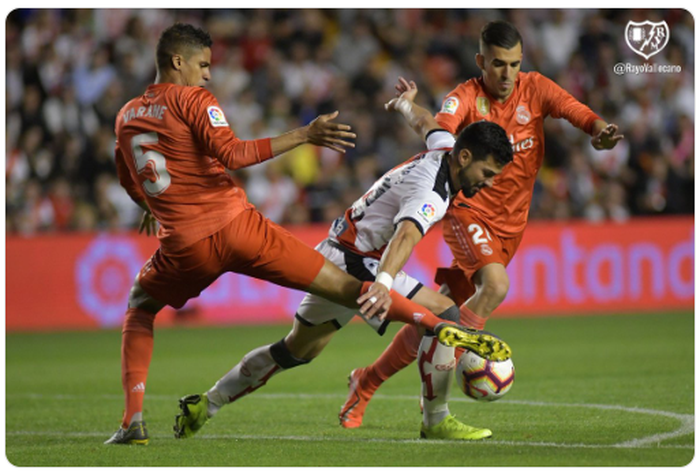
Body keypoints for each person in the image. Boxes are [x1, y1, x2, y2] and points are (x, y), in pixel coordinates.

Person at [104, 22, 500, 446]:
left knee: (156, 311)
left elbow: (130, 177)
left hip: (186, 245)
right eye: (202, 65)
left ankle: (148, 418)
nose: (207, 74)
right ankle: (435, 397)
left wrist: (405, 106)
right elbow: (234, 154)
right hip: (257, 233)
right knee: (429, 309)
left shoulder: (126, 115)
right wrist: (305, 135)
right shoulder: (194, 99)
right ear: (177, 61)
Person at [173, 79, 513, 441]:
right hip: (352, 262)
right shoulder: (431, 189)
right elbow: (406, 235)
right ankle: (436, 420)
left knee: (296, 350)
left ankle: (206, 404)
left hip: (353, 253)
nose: (489, 183)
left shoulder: (446, 148)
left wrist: (403, 104)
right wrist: (383, 285)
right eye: (487, 174)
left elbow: (425, 122)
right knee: (443, 316)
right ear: (464, 157)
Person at [339, 19, 624, 429]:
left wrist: (599, 130)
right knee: (495, 286)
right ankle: (435, 409)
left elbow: (574, 110)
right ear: (480, 61)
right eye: (497, 64)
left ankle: (365, 382)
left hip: (512, 227)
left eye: (513, 64)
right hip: (468, 214)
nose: (506, 74)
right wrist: (410, 109)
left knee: (437, 320)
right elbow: (439, 129)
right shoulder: (465, 97)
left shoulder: (537, 88)